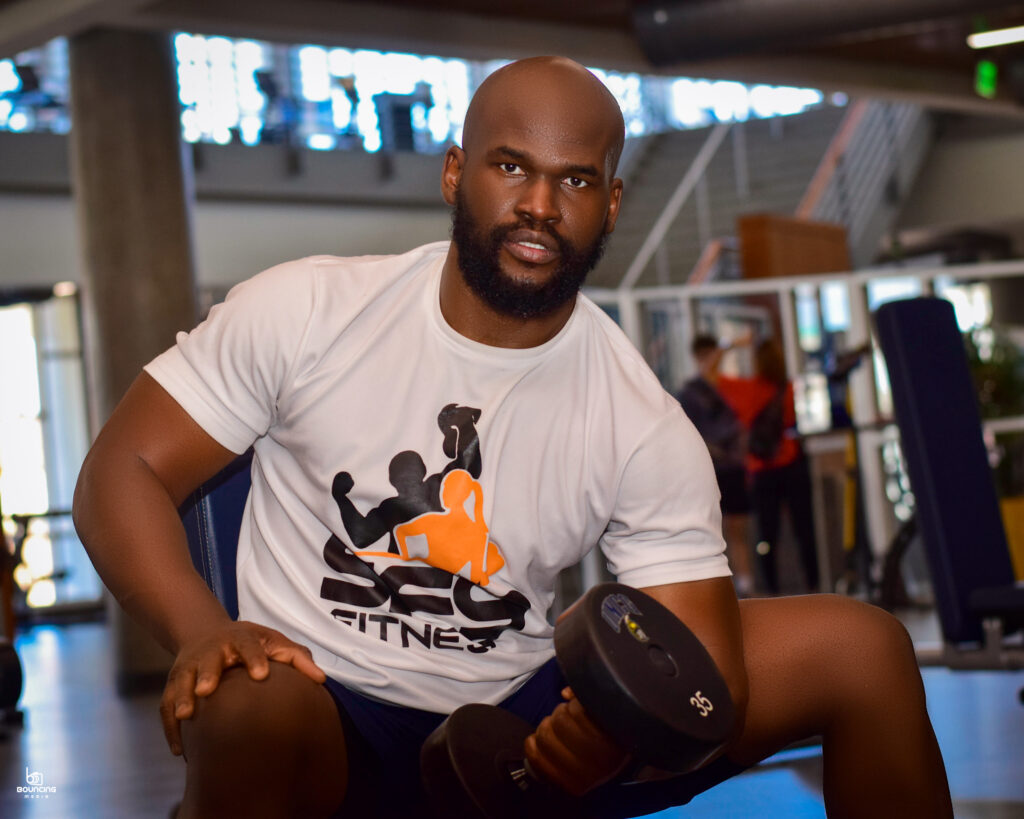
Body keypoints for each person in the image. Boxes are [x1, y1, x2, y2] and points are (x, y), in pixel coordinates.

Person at [72, 57, 953, 818]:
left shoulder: (639, 417)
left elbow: (704, 663)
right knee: (243, 706)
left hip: (516, 721)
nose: (539, 205)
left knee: (862, 650)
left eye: (575, 181)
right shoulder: (307, 309)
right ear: (456, 173)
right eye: (510, 166)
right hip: (316, 700)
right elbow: (123, 469)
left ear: (611, 203)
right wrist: (200, 629)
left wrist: (616, 729)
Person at [717, 338, 820, 595]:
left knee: (766, 534)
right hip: (793, 464)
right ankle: (814, 586)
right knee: (804, 530)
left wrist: (730, 345)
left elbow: (712, 376)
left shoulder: (749, 390)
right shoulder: (790, 388)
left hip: (763, 470)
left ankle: (772, 591)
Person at [676, 334, 755, 596]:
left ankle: (744, 582)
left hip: (731, 468)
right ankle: (719, 587)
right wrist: (729, 345)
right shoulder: (691, 392)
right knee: (711, 531)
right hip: (708, 470)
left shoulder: (726, 388)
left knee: (737, 529)